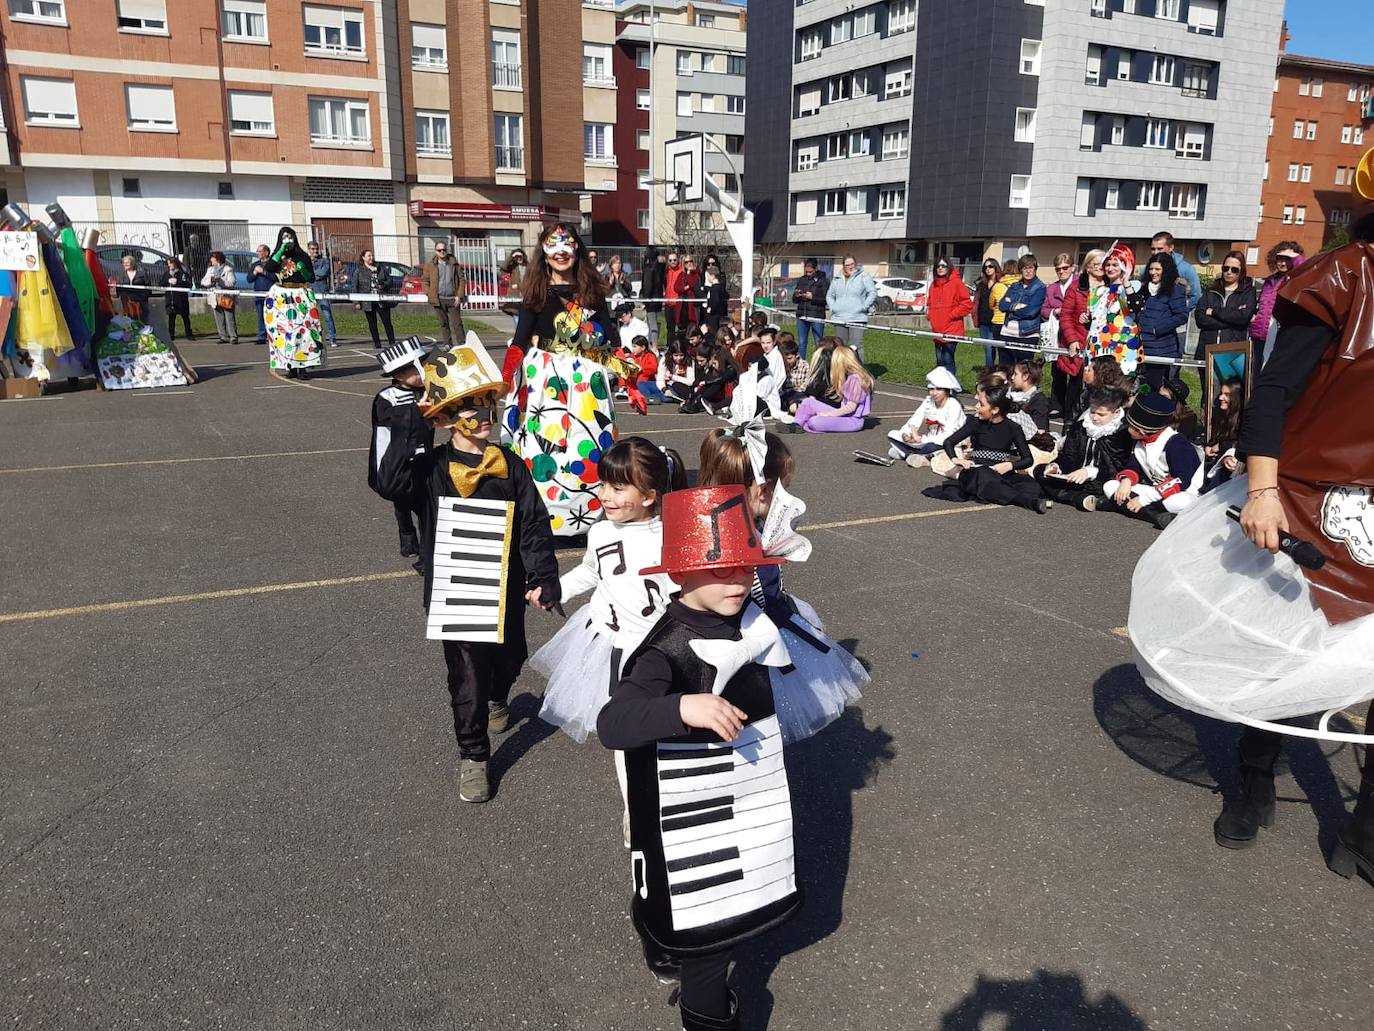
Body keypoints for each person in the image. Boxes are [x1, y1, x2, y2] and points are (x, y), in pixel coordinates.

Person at [1129, 212, 1374, 872]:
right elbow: (1274, 388)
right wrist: (1262, 490)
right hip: (1318, 497)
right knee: (1289, 652)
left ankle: (1366, 831)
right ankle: (1255, 782)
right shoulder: (1342, 275)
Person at [597, 483, 804, 1031]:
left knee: (714, 917)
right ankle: (703, 1012)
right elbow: (612, 724)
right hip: (678, 819)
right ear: (681, 574)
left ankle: (668, 953)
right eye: (722, 570)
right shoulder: (661, 653)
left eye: (747, 569)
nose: (739, 581)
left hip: (733, 801)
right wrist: (684, 705)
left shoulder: (748, 619)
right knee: (703, 942)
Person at [371, 340, 561, 804]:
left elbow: (533, 524)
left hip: (506, 585)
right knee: (467, 674)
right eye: (469, 411)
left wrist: (542, 578)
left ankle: (500, 696)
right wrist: (417, 419)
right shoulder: (429, 470)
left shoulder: (510, 466)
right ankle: (474, 754)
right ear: (447, 419)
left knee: (512, 657)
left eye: (486, 408)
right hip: (457, 591)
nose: (482, 420)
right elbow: (388, 482)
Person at [533, 437, 685, 748]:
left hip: (656, 642)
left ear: (649, 496)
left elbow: (684, 593)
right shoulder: (600, 531)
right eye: (603, 485)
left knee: (657, 709)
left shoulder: (671, 536)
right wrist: (557, 590)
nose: (605, 496)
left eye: (617, 489)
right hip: (607, 634)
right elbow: (591, 571)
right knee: (618, 709)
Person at [502, 222, 621, 535]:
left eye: (567, 244)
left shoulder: (593, 294)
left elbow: (611, 339)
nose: (561, 251)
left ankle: (586, 518)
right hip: (546, 382)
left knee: (587, 446)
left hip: (586, 385)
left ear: (577, 248)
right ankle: (545, 519)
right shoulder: (536, 294)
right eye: (553, 245)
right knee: (547, 448)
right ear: (543, 251)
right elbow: (519, 340)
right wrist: (504, 377)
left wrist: (627, 377)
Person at [922, 382, 1047, 513]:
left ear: (995, 410)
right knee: (986, 477)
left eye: (981, 404)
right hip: (977, 471)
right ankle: (1027, 502)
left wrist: (1010, 466)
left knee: (1032, 486)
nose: (976, 407)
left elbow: (1028, 459)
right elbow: (948, 442)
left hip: (1001, 471)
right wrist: (957, 460)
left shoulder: (1013, 428)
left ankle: (1012, 495)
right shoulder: (976, 423)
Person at [367, 338, 433, 569]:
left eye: (422, 366)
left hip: (424, 460)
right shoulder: (386, 398)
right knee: (402, 505)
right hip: (397, 464)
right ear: (398, 375)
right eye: (415, 369)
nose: (421, 372)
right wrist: (416, 411)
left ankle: (426, 559)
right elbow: (389, 423)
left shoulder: (427, 391)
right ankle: (407, 539)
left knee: (427, 509)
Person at [1104, 391, 1203, 529]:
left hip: (1183, 492)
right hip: (1155, 490)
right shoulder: (1140, 440)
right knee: (1110, 486)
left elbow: (1181, 480)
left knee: (1176, 502)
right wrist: (1126, 481)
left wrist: (1144, 499)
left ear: (1142, 431)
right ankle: (1157, 516)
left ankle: (1128, 507)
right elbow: (1134, 466)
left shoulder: (1176, 443)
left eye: (1131, 427)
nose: (1127, 429)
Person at [1036, 386, 1132, 512]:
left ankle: (1080, 498)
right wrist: (1056, 467)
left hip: (1102, 479)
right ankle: (1081, 499)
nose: (1095, 418)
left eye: (1101, 414)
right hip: (1075, 476)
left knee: (1108, 488)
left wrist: (1089, 472)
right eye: (1092, 412)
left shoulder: (1121, 433)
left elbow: (1117, 467)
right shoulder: (1080, 427)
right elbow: (1068, 456)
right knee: (1040, 470)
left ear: (1116, 413)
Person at [262, 227, 323, 380]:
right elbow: (269, 268)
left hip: (299, 295)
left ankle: (302, 367)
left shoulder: (302, 256)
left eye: (290, 237)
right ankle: (290, 366)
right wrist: (280, 251)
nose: (287, 240)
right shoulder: (278, 256)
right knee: (284, 332)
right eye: (284, 237)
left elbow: (311, 278)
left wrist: (304, 271)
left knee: (302, 331)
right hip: (282, 296)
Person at [1128, 252, 1190, 389]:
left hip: (1161, 350)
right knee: (1140, 388)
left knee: (1156, 388)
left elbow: (1182, 315)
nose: (1153, 272)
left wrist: (1158, 329)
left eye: (1157, 269)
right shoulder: (1144, 289)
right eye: (1151, 269)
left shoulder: (1175, 290)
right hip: (1141, 348)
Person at [1055, 249, 1102, 419]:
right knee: (1074, 388)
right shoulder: (1076, 287)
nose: (1100, 267)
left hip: (1099, 345)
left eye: (1102, 263)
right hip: (1078, 341)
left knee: (1097, 388)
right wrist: (1072, 339)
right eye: (1096, 264)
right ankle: (1068, 424)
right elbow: (1066, 315)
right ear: (1088, 267)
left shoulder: (1109, 287)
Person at [888, 366, 965, 467]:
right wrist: (906, 435)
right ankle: (916, 455)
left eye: (939, 389)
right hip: (925, 441)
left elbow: (949, 435)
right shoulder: (928, 402)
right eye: (931, 389)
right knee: (892, 435)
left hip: (947, 443)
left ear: (947, 390)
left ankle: (908, 454)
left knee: (930, 447)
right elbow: (914, 420)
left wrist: (921, 439)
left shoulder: (953, 405)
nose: (934, 393)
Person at [792, 341, 872, 433]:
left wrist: (828, 415)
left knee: (814, 422)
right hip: (845, 415)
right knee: (808, 402)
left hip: (853, 420)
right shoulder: (851, 377)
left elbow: (851, 407)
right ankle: (796, 424)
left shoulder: (856, 379)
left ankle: (804, 422)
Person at [1087, 246, 1141, 375]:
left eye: (1115, 264)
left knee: (1119, 389)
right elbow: (1094, 320)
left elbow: (1136, 307)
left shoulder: (1133, 286)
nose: (1110, 268)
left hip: (1122, 348)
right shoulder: (1097, 291)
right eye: (1108, 264)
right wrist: (1085, 318)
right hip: (1098, 346)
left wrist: (1126, 282)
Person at [1248, 241, 1305, 363]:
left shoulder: (1294, 280)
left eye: (1287, 259)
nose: (1283, 263)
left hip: (1279, 335)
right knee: (1254, 374)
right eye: (1280, 259)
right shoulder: (1269, 281)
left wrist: (1295, 256)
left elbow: (1305, 269)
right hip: (1258, 334)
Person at [1193, 251, 1257, 359]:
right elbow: (1200, 319)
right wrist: (1234, 321)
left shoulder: (1248, 292)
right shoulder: (1211, 291)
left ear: (1241, 271)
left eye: (1234, 269)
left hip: (1233, 354)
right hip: (1206, 352)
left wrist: (1214, 312)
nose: (1229, 272)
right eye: (1225, 268)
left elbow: (1244, 317)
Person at [996, 254, 1046, 368]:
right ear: (1020, 270)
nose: (1028, 271)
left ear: (1035, 269)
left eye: (1030, 268)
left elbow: (1031, 311)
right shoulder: (1014, 286)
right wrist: (1016, 306)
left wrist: (1011, 308)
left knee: (1023, 371)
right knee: (1005, 369)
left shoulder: (1040, 288)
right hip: (1007, 332)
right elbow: (1002, 305)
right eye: (1025, 268)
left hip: (1027, 335)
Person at [926, 257, 974, 376]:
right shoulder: (933, 285)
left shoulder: (957, 283)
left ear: (949, 267)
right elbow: (930, 302)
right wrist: (930, 315)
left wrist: (951, 315)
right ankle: (940, 386)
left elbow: (967, 304)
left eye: (943, 266)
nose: (940, 268)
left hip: (952, 329)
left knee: (947, 358)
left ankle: (950, 386)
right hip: (937, 329)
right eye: (938, 266)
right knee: (939, 360)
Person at [825, 254, 876, 361]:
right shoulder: (837, 278)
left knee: (857, 346)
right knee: (840, 347)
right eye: (847, 264)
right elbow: (830, 295)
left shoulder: (864, 276)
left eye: (852, 264)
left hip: (857, 317)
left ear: (855, 264)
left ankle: (859, 372)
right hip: (839, 317)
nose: (850, 267)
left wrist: (863, 306)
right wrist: (834, 307)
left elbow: (872, 292)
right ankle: (842, 371)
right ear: (843, 265)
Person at [1201, 378, 1244, 493]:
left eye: (1226, 395)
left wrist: (1220, 446)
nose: (1220, 398)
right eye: (1221, 393)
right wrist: (1209, 446)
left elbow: (1237, 442)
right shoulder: (1221, 416)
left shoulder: (1242, 422)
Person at [421, 240, 465, 347]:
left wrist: (459, 296)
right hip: (438, 299)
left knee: (457, 324)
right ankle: (447, 344)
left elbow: (462, 280)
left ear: (447, 250)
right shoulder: (430, 265)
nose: (442, 252)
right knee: (444, 324)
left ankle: (462, 344)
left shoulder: (454, 264)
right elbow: (424, 281)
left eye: (444, 250)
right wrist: (429, 293)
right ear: (436, 251)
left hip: (452, 299)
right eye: (439, 250)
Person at [352, 249, 397, 349]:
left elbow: (389, 281)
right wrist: (356, 302)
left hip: (381, 299)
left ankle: (392, 341)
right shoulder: (359, 271)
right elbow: (354, 286)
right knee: (372, 323)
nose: (371, 258)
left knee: (387, 321)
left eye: (372, 256)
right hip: (368, 301)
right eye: (368, 256)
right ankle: (377, 342)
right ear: (363, 257)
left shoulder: (380, 268)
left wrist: (383, 285)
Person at [679, 339, 738, 415]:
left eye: (702, 361)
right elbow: (703, 383)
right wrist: (693, 397)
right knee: (707, 385)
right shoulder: (710, 369)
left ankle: (699, 403)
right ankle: (694, 401)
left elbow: (719, 379)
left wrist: (706, 383)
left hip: (727, 395)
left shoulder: (731, 370)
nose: (699, 363)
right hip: (716, 395)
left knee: (716, 383)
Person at [1146, 231, 1201, 305]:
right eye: (1153, 249)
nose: (1155, 252)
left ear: (1171, 247)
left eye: (1160, 249)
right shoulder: (1148, 269)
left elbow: (1195, 295)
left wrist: (1181, 311)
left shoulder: (1186, 269)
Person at [791, 258, 829, 357]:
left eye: (810, 272)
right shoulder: (802, 280)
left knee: (818, 342)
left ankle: (819, 364)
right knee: (802, 342)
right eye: (806, 271)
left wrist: (813, 298)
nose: (808, 274)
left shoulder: (823, 280)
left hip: (817, 316)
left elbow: (826, 300)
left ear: (816, 269)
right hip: (802, 316)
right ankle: (802, 364)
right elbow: (794, 300)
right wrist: (796, 295)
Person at [201, 250, 238, 344]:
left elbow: (231, 283)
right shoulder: (210, 269)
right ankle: (223, 336)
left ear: (217, 259)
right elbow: (203, 282)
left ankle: (233, 336)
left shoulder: (228, 269)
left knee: (229, 317)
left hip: (226, 296)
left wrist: (220, 281)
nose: (211, 260)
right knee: (218, 317)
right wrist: (211, 280)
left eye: (212, 258)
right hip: (215, 296)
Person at [307, 241, 337, 347]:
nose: (315, 251)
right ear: (308, 249)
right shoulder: (305, 261)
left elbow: (324, 272)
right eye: (312, 249)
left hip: (322, 290)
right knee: (310, 316)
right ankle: (312, 337)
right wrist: (312, 274)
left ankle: (332, 337)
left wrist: (311, 274)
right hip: (309, 291)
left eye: (316, 249)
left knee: (327, 315)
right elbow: (304, 274)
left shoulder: (324, 261)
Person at [1008, 359, 1050, 433]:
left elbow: (1041, 430)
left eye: (1015, 374)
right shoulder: (1012, 394)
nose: (1012, 377)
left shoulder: (1039, 401)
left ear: (1025, 376)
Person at [975, 258, 1003, 367]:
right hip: (983, 320)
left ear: (996, 268)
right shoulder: (981, 284)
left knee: (992, 346)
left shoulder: (1000, 283)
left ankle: (995, 370)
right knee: (987, 348)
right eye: (985, 267)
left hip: (996, 320)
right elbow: (978, 301)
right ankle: (989, 370)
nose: (988, 269)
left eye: (990, 266)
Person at [664, 252, 699, 339]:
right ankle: (672, 346)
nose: (689, 263)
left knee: (691, 328)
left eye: (690, 261)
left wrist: (689, 273)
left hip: (689, 304)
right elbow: (677, 287)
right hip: (676, 304)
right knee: (673, 327)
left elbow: (692, 283)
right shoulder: (671, 272)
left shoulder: (695, 272)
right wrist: (685, 287)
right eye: (686, 262)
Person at [640, 245, 666, 346]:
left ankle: (653, 346)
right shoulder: (659, 267)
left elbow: (647, 285)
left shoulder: (648, 268)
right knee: (655, 322)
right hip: (658, 298)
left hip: (650, 299)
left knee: (652, 324)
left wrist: (645, 300)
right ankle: (653, 344)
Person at [778, 334, 811, 412]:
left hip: (800, 393)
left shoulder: (804, 366)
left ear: (797, 355)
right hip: (787, 392)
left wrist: (794, 390)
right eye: (786, 359)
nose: (788, 361)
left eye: (790, 358)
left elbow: (806, 385)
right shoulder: (783, 365)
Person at [163, 256, 193, 341]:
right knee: (171, 317)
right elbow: (161, 283)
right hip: (170, 300)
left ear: (175, 263)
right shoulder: (166, 274)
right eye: (168, 264)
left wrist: (178, 282)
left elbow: (188, 284)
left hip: (181, 299)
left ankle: (189, 333)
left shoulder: (182, 274)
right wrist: (167, 281)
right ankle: (171, 334)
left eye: (171, 263)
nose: (169, 266)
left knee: (185, 317)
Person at [499, 249, 528, 336]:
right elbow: (503, 267)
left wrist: (520, 286)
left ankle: (526, 337)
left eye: (520, 256)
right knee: (516, 317)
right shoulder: (513, 266)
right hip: (515, 296)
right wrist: (512, 257)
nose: (519, 258)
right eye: (517, 257)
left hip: (526, 295)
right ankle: (519, 337)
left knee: (526, 319)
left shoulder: (529, 266)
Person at [250, 244, 273, 345]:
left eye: (260, 251)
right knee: (261, 316)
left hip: (271, 293)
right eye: (257, 251)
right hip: (259, 294)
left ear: (266, 253)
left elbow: (275, 277)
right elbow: (249, 279)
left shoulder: (273, 264)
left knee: (271, 315)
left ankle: (271, 335)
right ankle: (261, 335)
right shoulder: (255, 264)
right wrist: (255, 272)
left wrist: (263, 272)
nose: (258, 253)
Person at [116, 254, 150, 320]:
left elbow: (148, 286)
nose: (125, 264)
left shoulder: (142, 274)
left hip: (140, 302)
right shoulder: (121, 275)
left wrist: (144, 296)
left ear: (132, 263)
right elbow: (119, 288)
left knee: (142, 319)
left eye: (127, 262)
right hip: (127, 302)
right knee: (129, 320)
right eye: (124, 263)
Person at [700, 264, 728, 337]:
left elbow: (716, 300)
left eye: (708, 276)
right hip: (720, 313)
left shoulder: (714, 289)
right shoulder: (721, 287)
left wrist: (711, 309)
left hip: (714, 316)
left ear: (712, 276)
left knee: (713, 332)